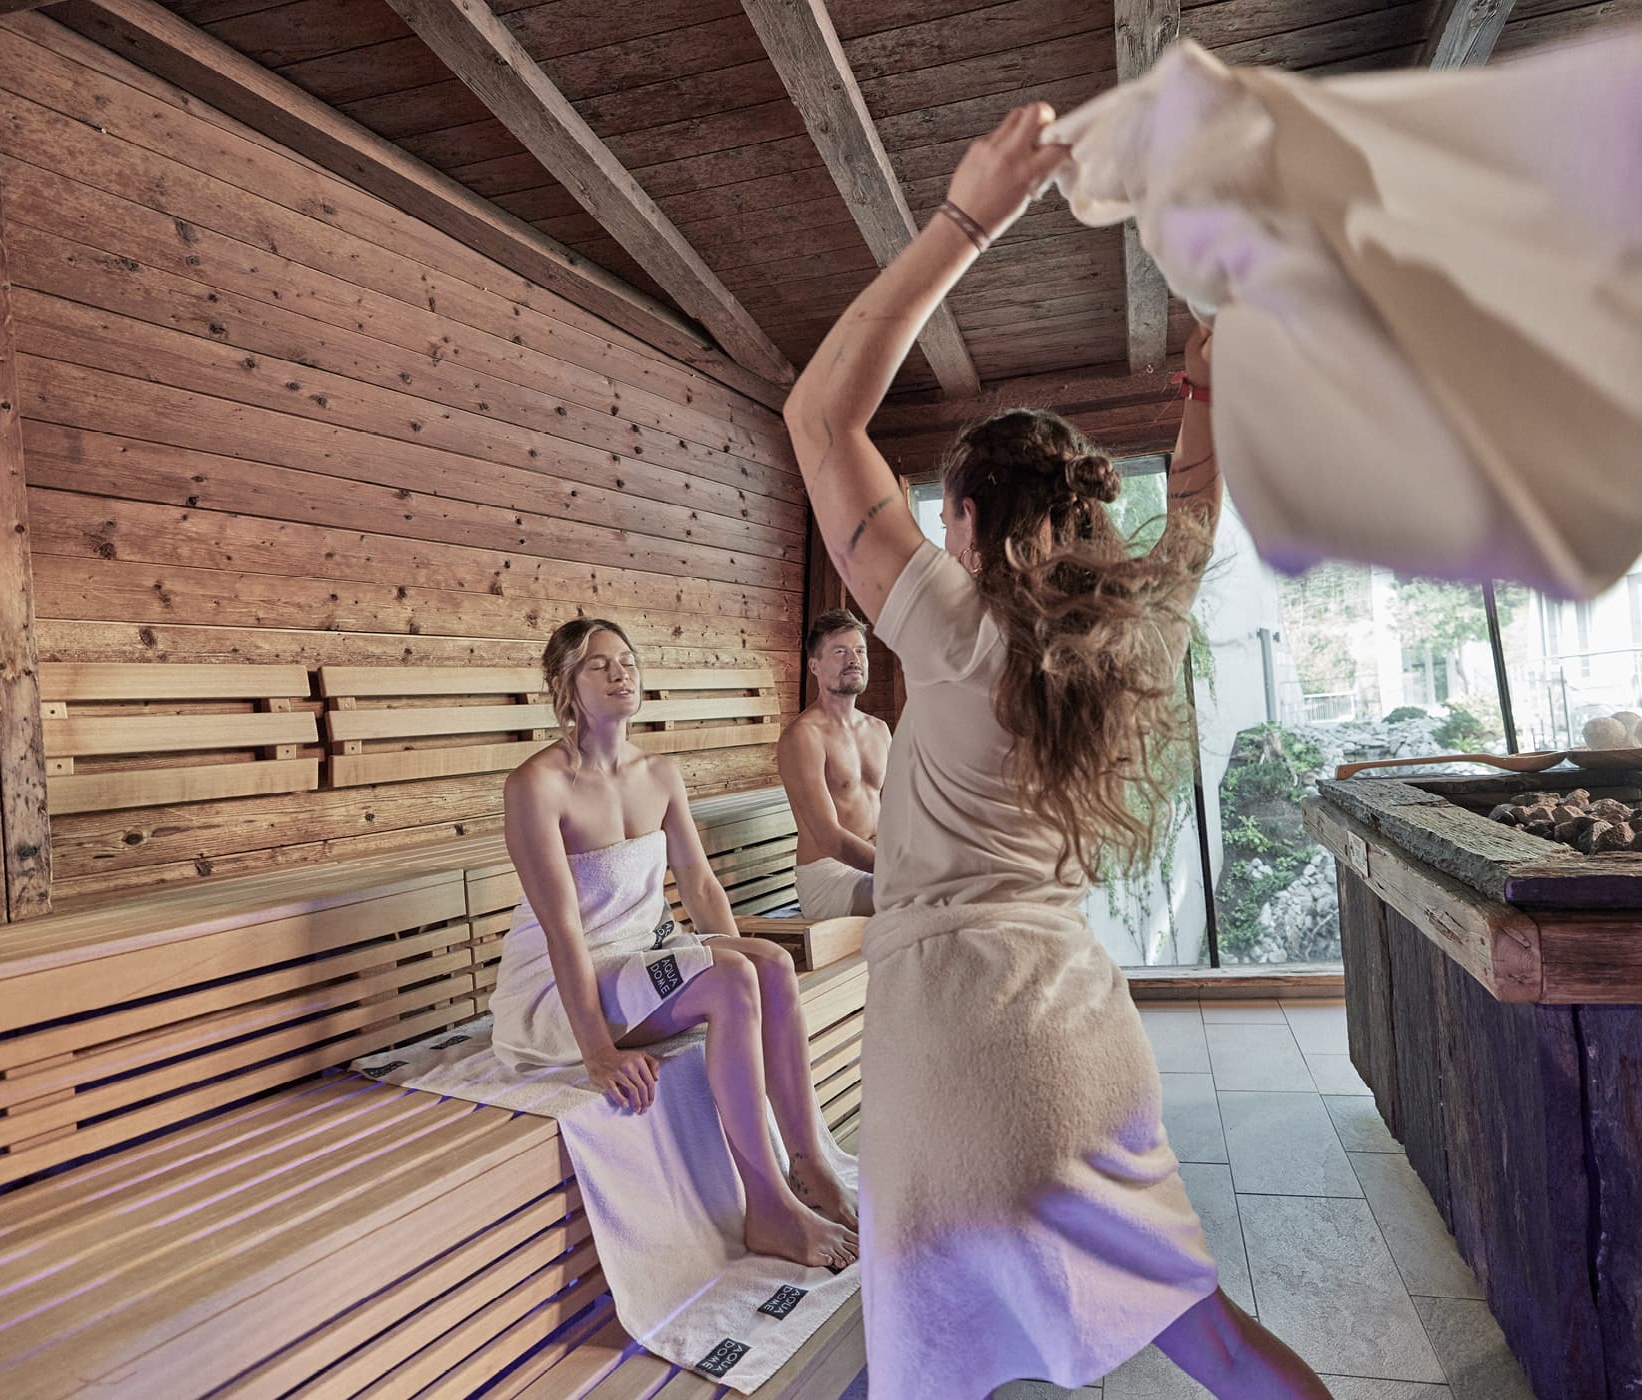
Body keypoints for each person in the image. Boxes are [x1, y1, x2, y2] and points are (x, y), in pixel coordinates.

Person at [781, 104, 1332, 1399]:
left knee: (921, 1370)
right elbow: (1193, 507)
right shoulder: (1130, 640)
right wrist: (1206, 383)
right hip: (1086, 1037)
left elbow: (819, 418)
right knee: (1210, 1340)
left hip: (958, 1050)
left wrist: (967, 216)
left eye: (945, 516)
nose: (937, 536)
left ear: (970, 521)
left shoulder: (959, 628)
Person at [489, 618, 858, 1269]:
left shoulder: (659, 774)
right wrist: (598, 1052)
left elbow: (701, 885)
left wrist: (747, 970)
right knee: (732, 981)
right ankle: (768, 1207)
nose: (621, 673)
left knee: (770, 964)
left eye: (628, 661)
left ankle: (808, 1164)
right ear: (565, 685)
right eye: (600, 665)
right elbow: (562, 929)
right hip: (561, 984)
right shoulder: (536, 786)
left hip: (641, 955)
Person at [778, 608, 889, 919]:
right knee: (927, 897)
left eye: (860, 651)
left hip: (878, 867)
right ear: (814, 665)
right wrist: (897, 870)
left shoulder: (879, 730)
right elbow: (828, 837)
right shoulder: (804, 736)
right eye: (840, 652)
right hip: (830, 878)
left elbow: (898, 813)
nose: (853, 659)